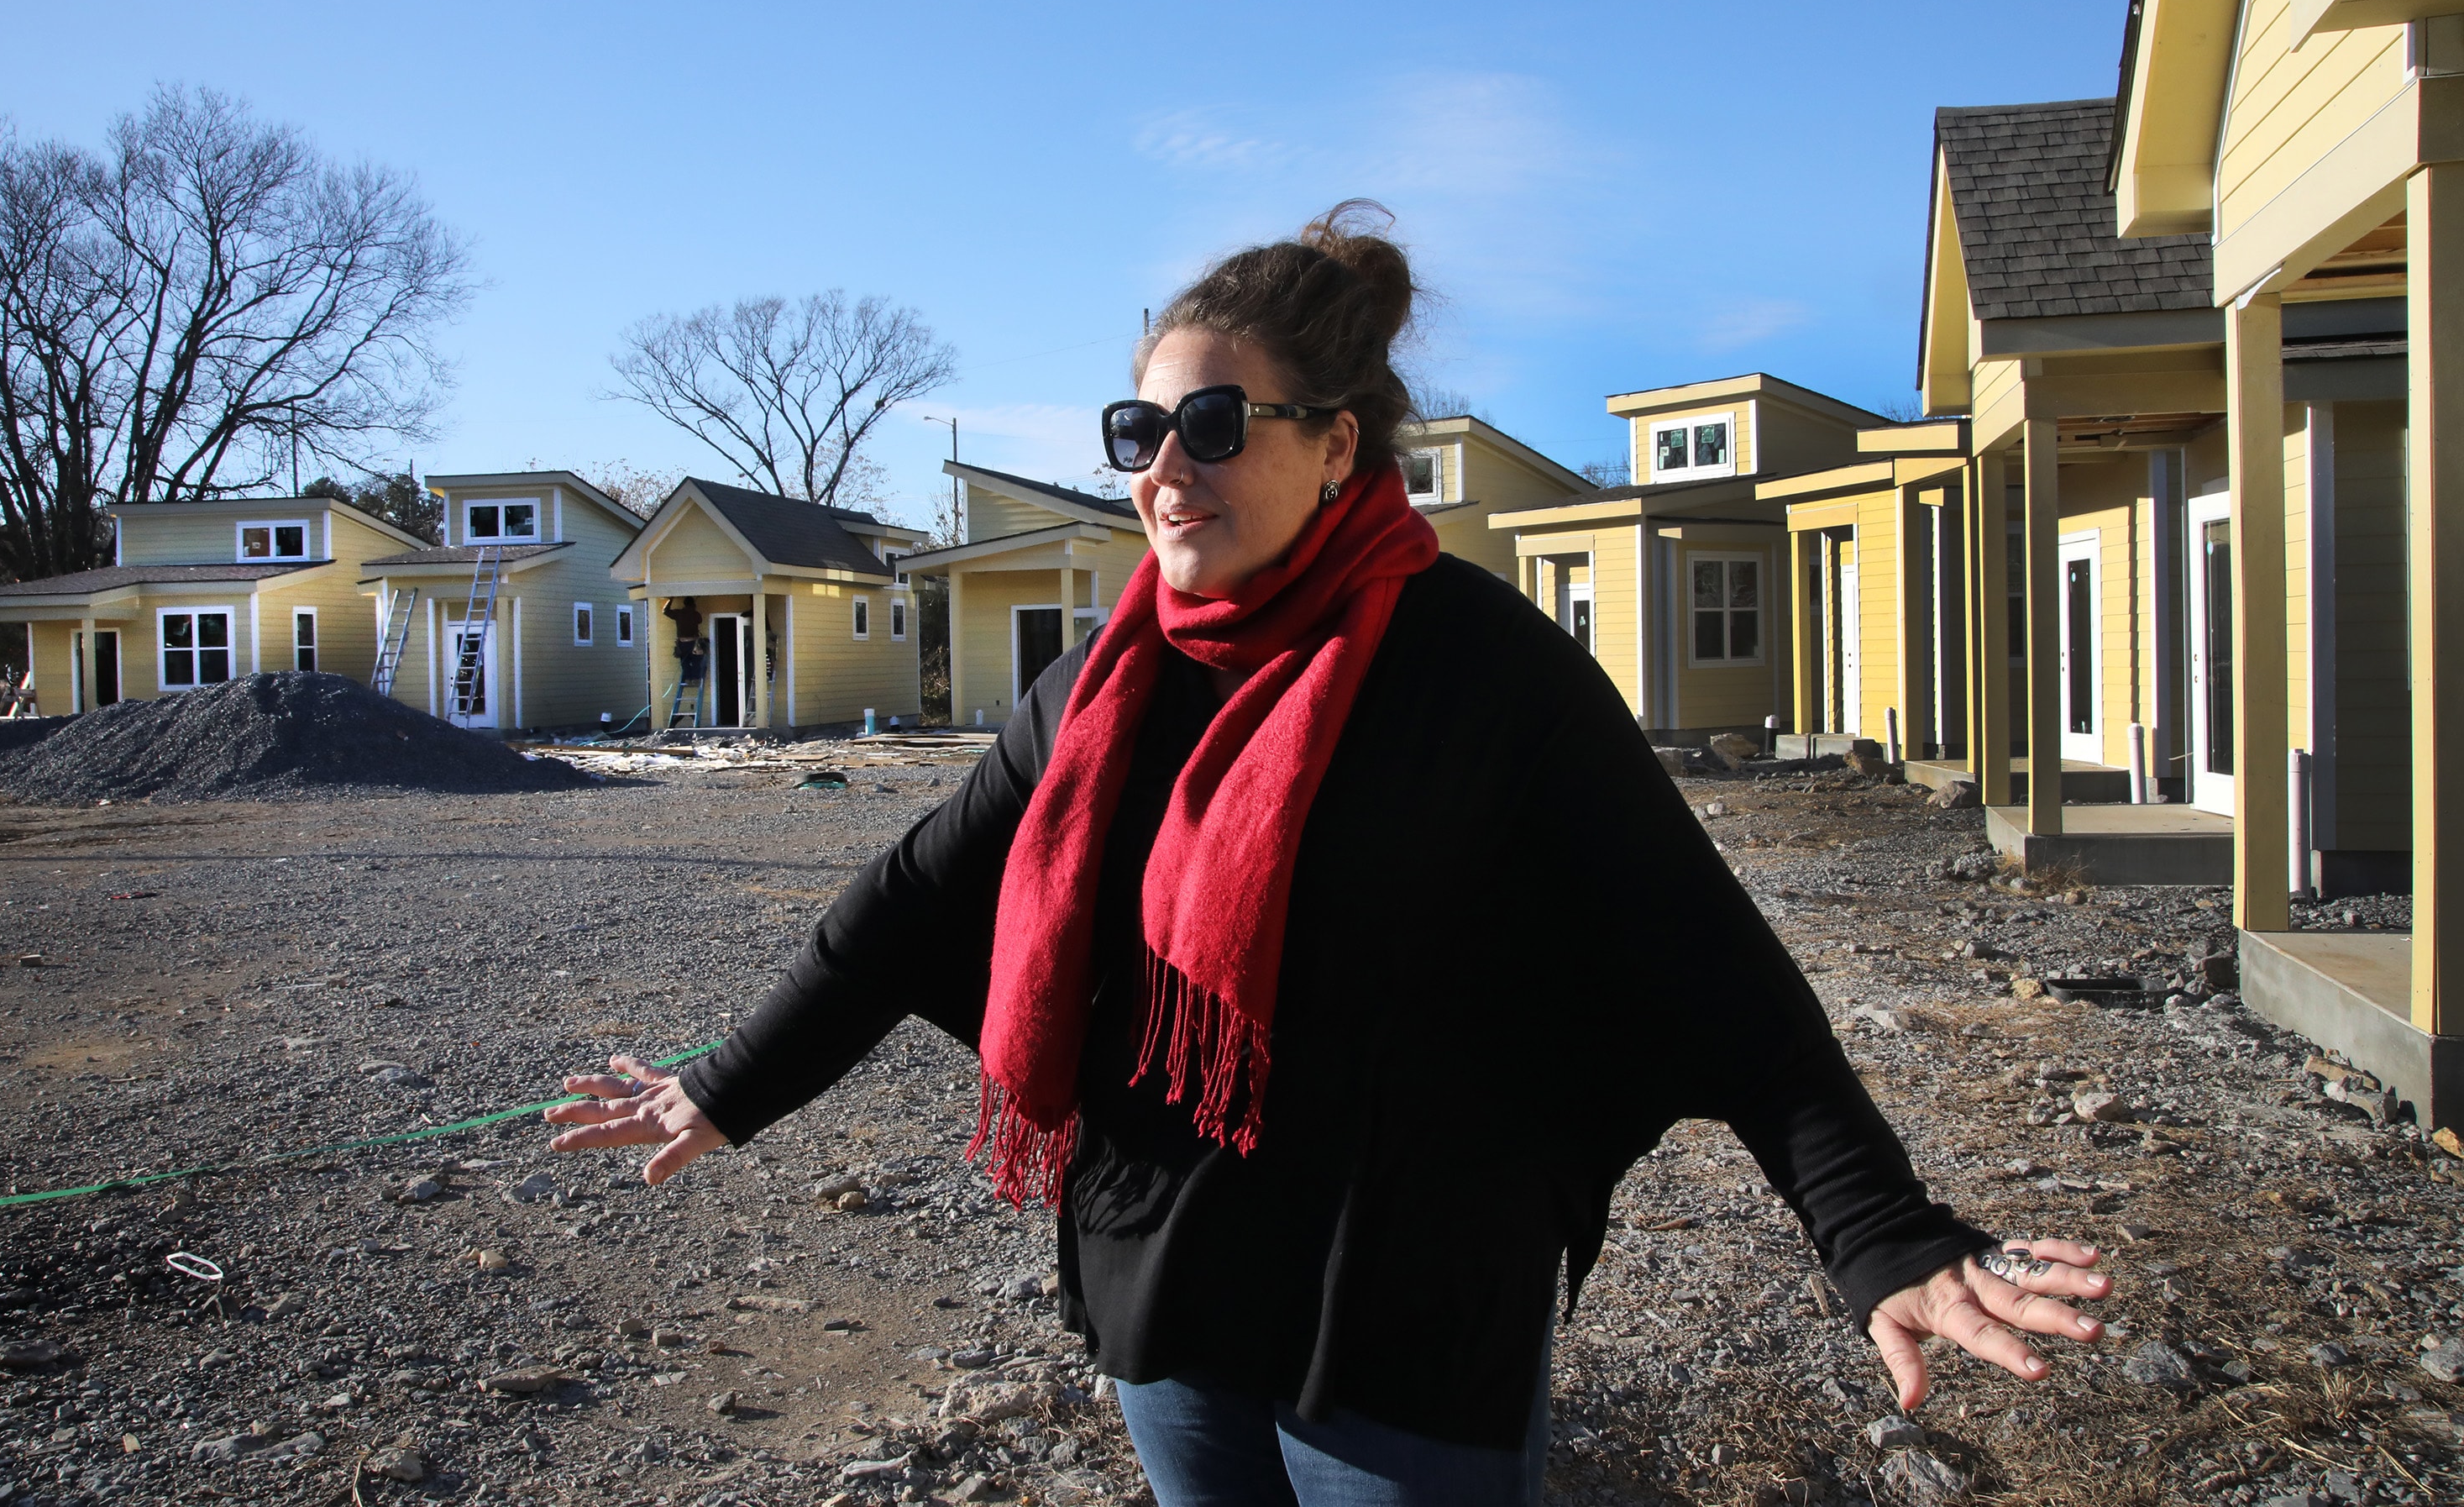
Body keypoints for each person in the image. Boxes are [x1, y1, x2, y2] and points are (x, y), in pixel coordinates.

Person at [549, 202, 2110, 1507]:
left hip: (1406, 1309)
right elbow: (909, 904)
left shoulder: (1482, 671)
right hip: (1163, 1278)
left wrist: (1886, 1237)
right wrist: (725, 1083)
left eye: (1215, 426)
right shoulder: (1102, 684)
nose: (1166, 466)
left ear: (1338, 447)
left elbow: (1715, 971)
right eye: (1140, 429)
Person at [665, 596, 705, 682]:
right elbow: (700, 620)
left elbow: (665, 611)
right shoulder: (696, 614)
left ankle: (687, 678)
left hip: (682, 643)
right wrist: (693, 610)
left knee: (685, 662)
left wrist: (670, 600)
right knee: (696, 661)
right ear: (693, 604)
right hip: (694, 643)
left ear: (684, 604)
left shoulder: (678, 613)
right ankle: (695, 678)